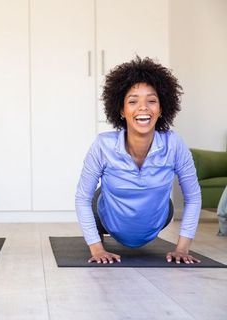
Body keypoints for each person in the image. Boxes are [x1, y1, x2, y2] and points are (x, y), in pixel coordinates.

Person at [75, 57, 202, 264]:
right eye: (133, 101)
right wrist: (96, 249)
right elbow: (81, 198)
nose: (143, 107)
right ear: (121, 111)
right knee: (95, 198)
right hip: (107, 217)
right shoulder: (103, 145)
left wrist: (182, 248)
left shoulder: (174, 144)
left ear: (161, 109)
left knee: (165, 202)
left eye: (151, 101)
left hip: (157, 216)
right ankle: (100, 231)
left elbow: (193, 197)